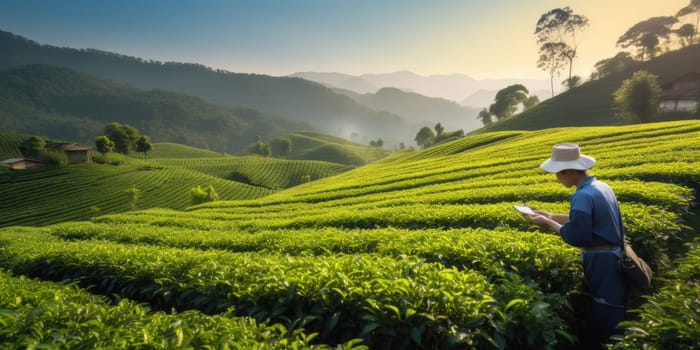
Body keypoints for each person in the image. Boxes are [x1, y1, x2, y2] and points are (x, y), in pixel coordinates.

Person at [528, 143, 625, 350]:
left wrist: (548, 223)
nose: (557, 178)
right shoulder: (601, 186)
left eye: (558, 174)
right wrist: (552, 215)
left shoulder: (581, 196)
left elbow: (577, 235)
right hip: (613, 255)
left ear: (570, 171)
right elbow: (591, 219)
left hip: (602, 261)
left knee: (606, 307)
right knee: (613, 302)